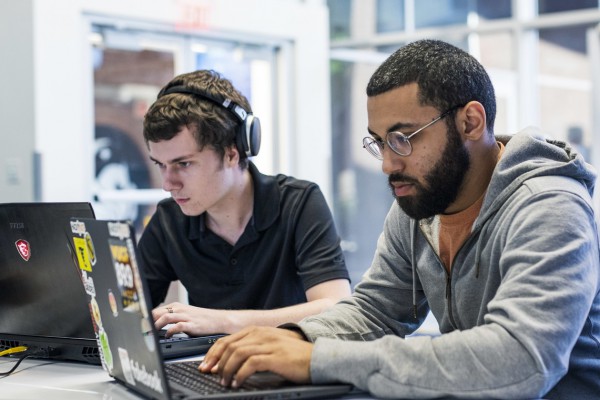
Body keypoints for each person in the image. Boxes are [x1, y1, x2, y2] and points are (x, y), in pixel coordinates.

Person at [199, 39, 600, 399]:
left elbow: (520, 360)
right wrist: (286, 342)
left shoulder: (550, 207)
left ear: (470, 122)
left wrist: (317, 359)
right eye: (379, 141)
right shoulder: (422, 202)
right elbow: (376, 310)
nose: (388, 164)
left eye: (403, 138)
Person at [139, 69, 351, 337]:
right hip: (210, 370)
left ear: (231, 152)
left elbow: (337, 308)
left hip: (290, 373)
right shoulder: (169, 220)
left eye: (183, 164)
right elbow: (127, 314)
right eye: (161, 165)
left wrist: (222, 322)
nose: (168, 184)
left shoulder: (299, 203)